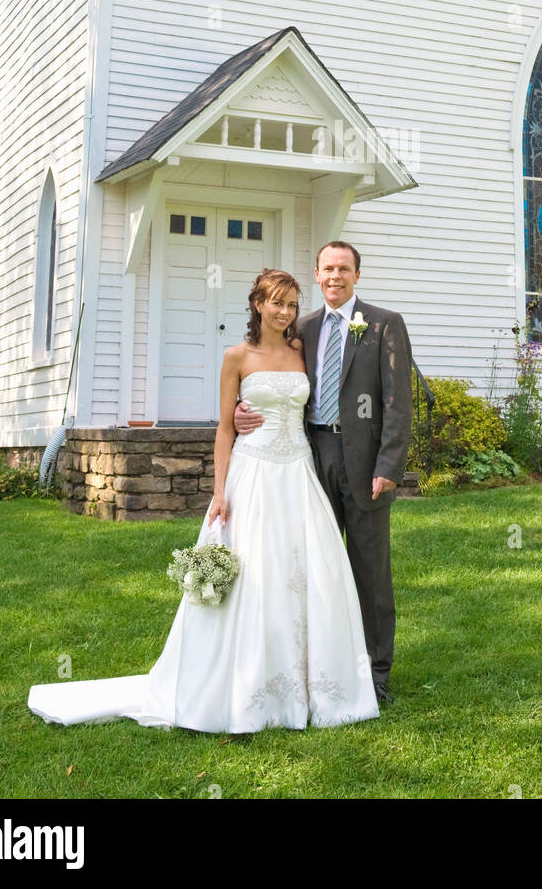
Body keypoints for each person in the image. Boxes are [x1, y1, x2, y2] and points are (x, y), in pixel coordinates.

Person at [27, 269, 379, 733]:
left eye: (293, 304)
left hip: (298, 472)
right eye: (277, 302)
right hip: (252, 474)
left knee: (308, 575)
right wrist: (219, 491)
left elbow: (328, 391)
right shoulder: (237, 357)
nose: (285, 312)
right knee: (255, 575)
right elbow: (224, 429)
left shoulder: (302, 351)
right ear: (257, 303)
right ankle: (246, 687)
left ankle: (314, 686)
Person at [234, 241, 412, 705]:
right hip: (312, 457)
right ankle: (324, 668)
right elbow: (275, 379)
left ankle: (376, 675)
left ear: (357, 274)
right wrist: (240, 412)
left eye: (344, 269)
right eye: (328, 269)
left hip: (367, 461)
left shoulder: (384, 323)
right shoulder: (303, 328)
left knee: (370, 570)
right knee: (318, 569)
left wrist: (388, 465)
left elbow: (397, 402)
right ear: (317, 274)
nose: (335, 276)